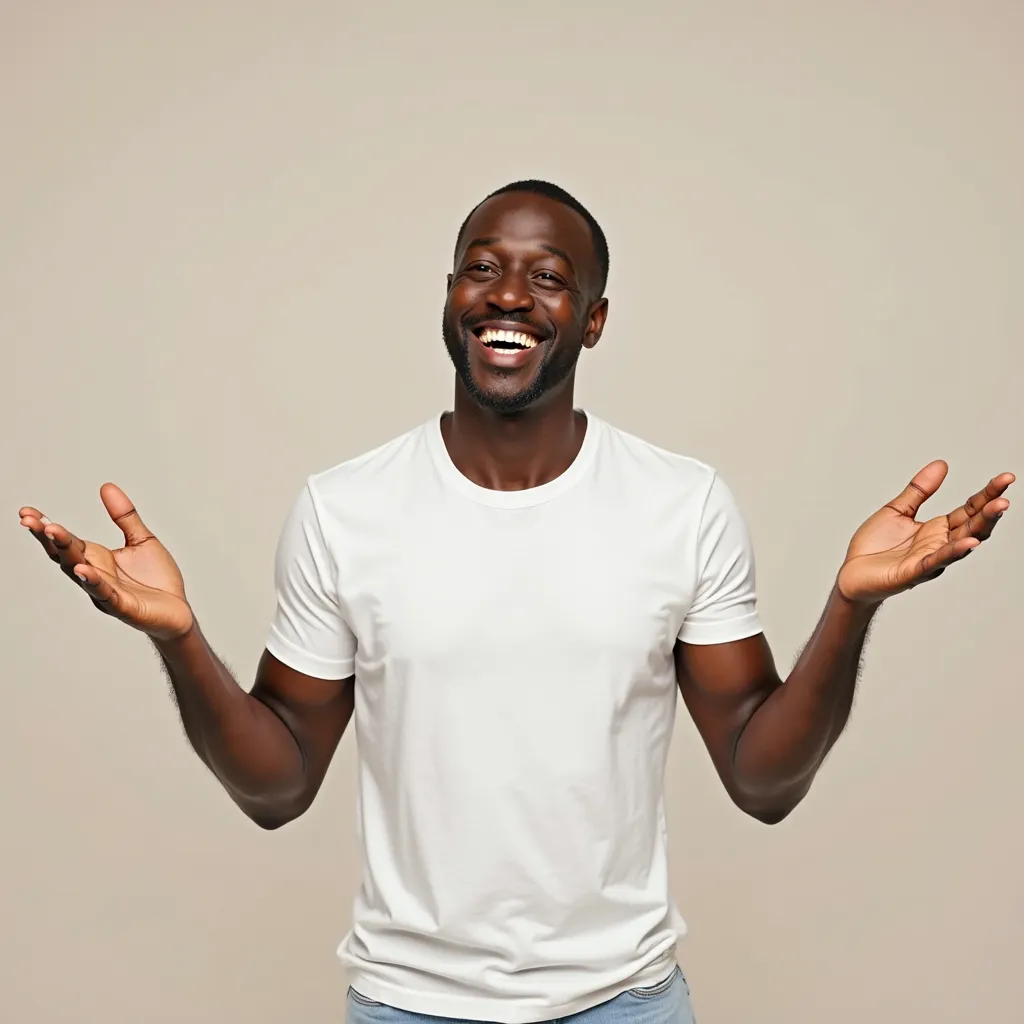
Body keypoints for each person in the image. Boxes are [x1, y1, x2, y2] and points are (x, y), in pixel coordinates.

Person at [19, 180, 1013, 1024]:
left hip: (624, 1000)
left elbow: (763, 778)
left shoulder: (680, 502)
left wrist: (850, 607)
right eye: (481, 266)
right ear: (448, 295)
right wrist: (181, 638)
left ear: (592, 319)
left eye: (547, 277)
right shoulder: (345, 507)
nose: (508, 295)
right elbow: (277, 787)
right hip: (406, 1001)